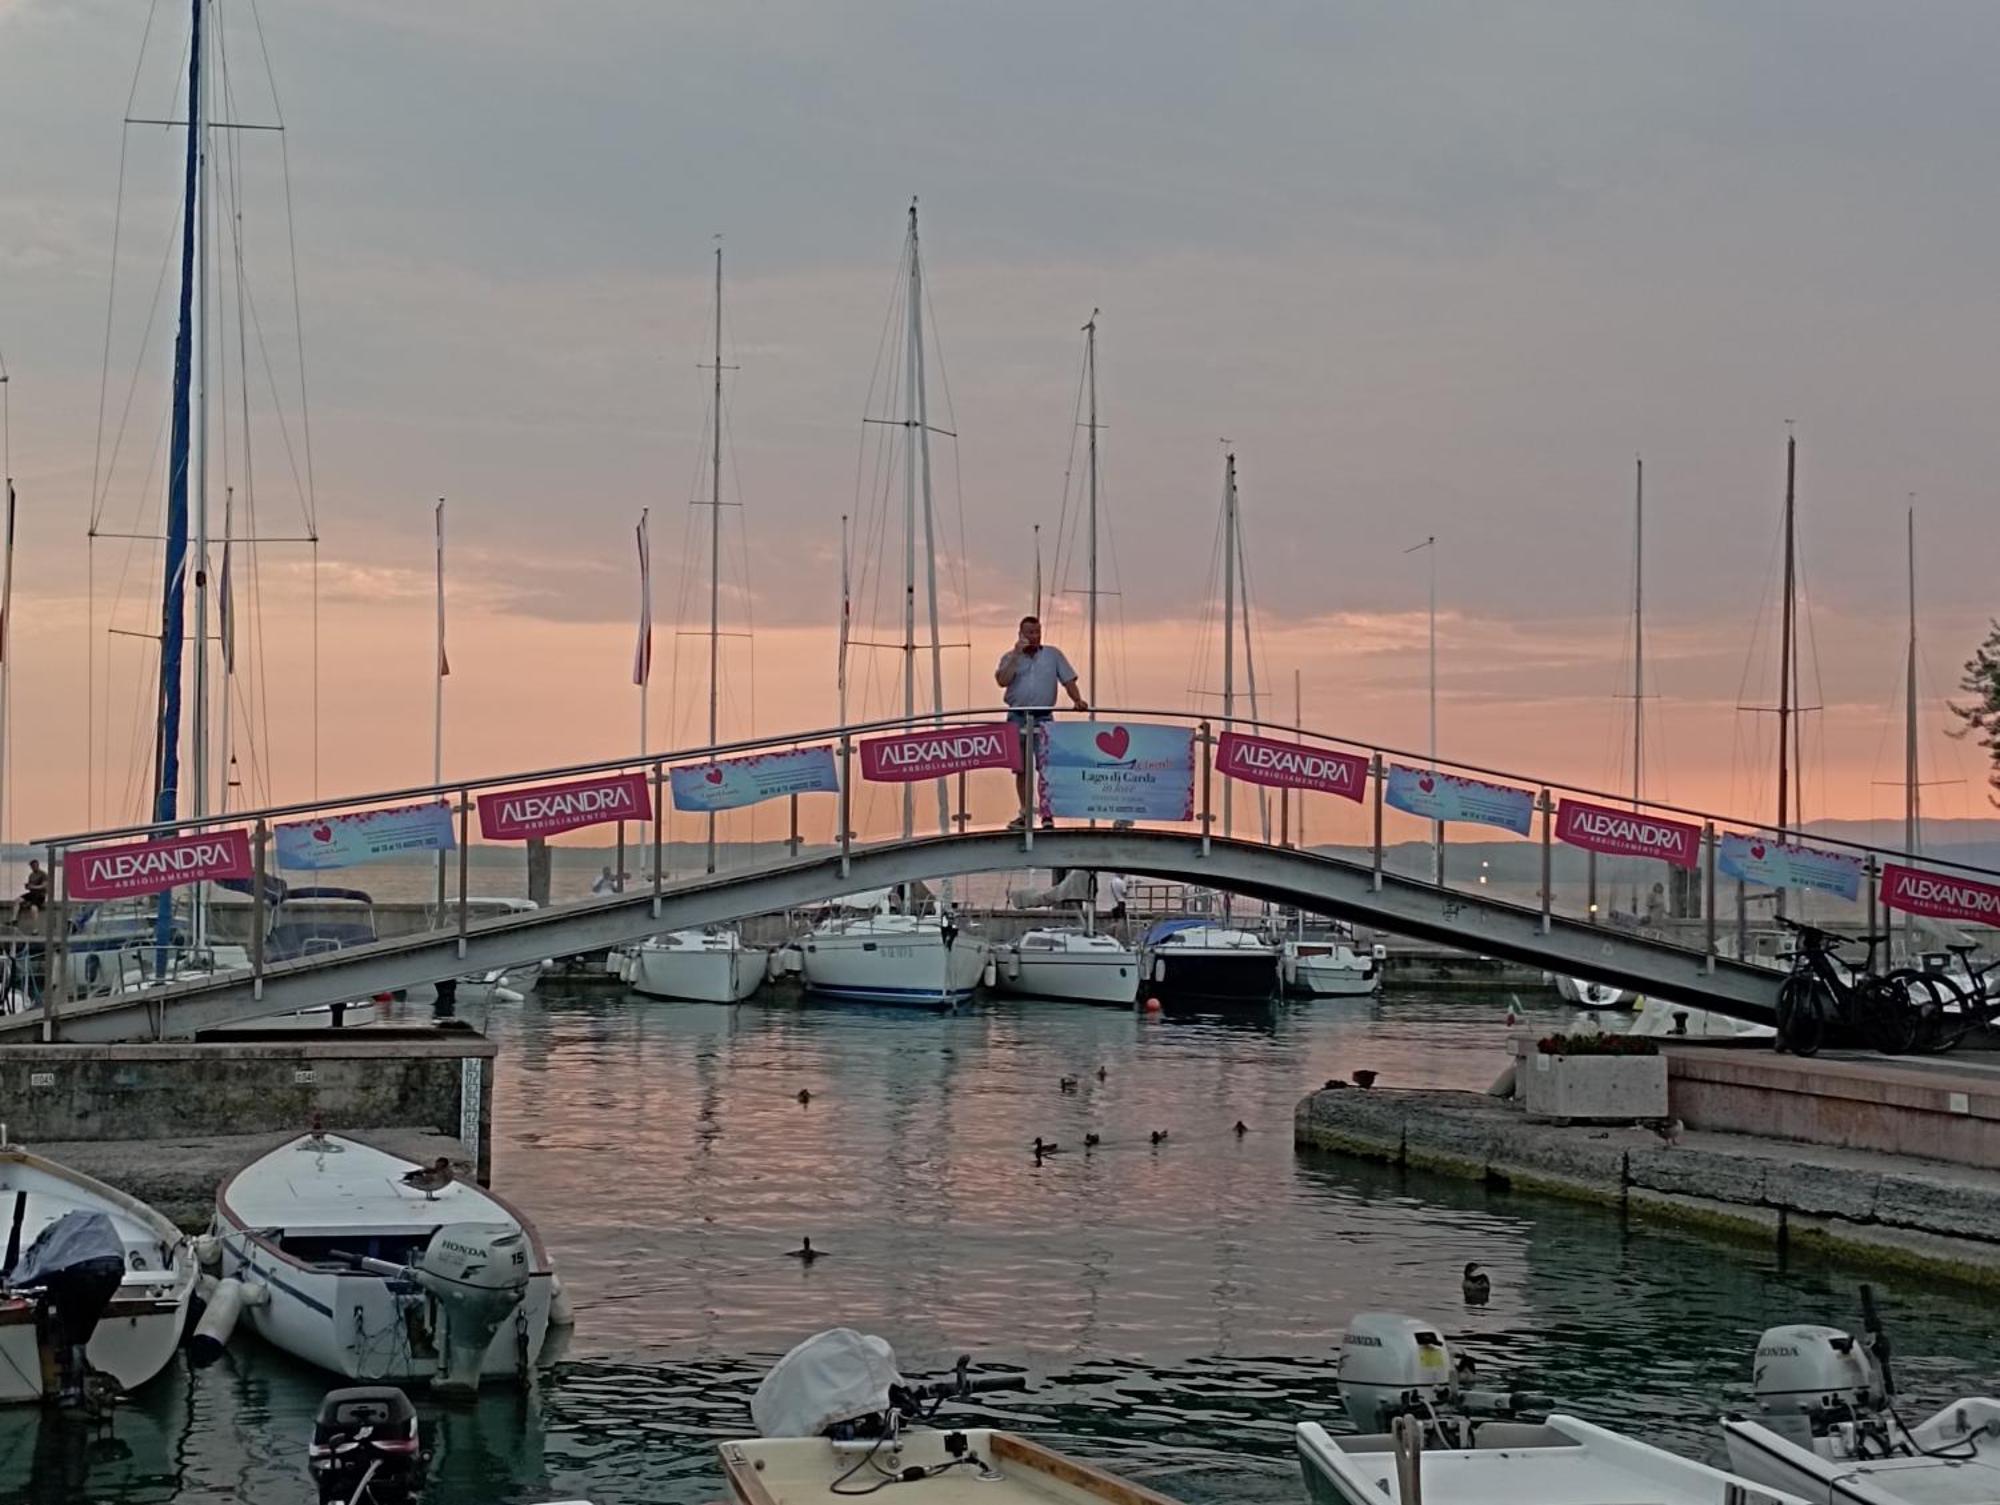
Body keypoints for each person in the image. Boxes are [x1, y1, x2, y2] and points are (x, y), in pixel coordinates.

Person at [994, 614, 1088, 828]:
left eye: (1037, 632)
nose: (1035, 636)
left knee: (1045, 768)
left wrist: (1077, 700)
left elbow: (1068, 679)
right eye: (1030, 632)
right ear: (1021, 634)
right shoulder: (1009, 657)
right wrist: (1017, 655)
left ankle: (1047, 814)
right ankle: (1026, 812)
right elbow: (1002, 680)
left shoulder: (1053, 655)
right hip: (1017, 716)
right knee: (1021, 769)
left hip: (1043, 716)